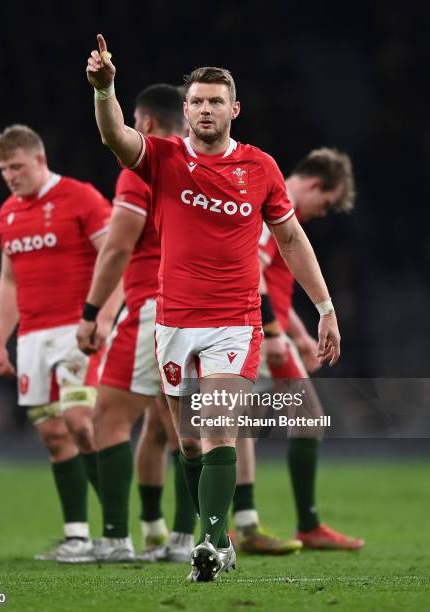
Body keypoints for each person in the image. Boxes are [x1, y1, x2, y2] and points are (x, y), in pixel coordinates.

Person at [84, 34, 341, 582]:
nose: (206, 109)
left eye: (215, 101)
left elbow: (292, 239)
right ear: (185, 110)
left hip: (235, 320)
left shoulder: (261, 167)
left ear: (234, 108)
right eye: (197, 101)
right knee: (190, 442)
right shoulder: (164, 159)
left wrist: (324, 306)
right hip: (174, 320)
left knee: (220, 426)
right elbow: (114, 137)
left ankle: (209, 544)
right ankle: (216, 533)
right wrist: (106, 90)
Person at [76, 84, 197, 563]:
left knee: (108, 416)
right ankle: (185, 538)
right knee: (176, 425)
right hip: (199, 309)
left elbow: (120, 245)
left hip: (153, 304)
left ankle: (112, 539)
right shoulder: (201, 165)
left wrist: (92, 311)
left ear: (143, 123)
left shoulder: (143, 165)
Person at [0, 124, 119, 562]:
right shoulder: (8, 213)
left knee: (81, 422)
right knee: (52, 435)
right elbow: (8, 282)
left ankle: (116, 531)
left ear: (40, 160)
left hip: (77, 332)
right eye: (4, 168)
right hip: (32, 340)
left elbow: (114, 259)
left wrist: (102, 317)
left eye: (17, 166)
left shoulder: (81, 198)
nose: (10, 175)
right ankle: (78, 537)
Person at [232, 148, 364, 552]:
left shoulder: (277, 207)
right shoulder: (273, 205)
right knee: (307, 415)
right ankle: (304, 523)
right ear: (314, 184)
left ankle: (244, 523)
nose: (321, 213)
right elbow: (251, 270)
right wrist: (274, 333)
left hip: (261, 326)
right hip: (256, 328)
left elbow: (271, 283)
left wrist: (299, 334)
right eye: (324, 204)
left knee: (241, 426)